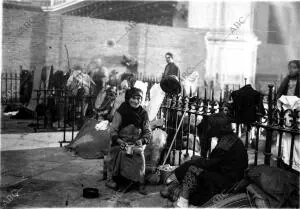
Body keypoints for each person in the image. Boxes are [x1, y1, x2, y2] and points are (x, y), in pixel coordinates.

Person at [160, 112, 248, 207]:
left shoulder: (226, 143)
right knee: (193, 165)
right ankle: (174, 185)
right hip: (225, 175)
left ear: (217, 127)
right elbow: (214, 163)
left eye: (211, 126)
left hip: (228, 181)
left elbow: (211, 164)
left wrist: (197, 160)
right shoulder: (229, 138)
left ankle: (181, 200)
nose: (209, 129)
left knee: (193, 168)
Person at [105, 87, 152, 195]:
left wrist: (142, 140)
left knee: (138, 153)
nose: (136, 101)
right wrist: (120, 142)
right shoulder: (120, 112)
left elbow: (147, 131)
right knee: (118, 153)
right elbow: (113, 131)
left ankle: (140, 182)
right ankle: (112, 179)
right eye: (133, 98)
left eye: (139, 98)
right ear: (128, 98)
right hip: (120, 142)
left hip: (136, 143)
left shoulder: (143, 113)